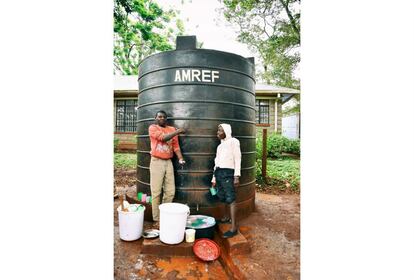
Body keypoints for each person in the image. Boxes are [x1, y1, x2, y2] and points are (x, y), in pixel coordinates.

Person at [148, 110, 186, 226]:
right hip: (156, 161)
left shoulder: (171, 129)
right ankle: (156, 219)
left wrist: (180, 158)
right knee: (156, 192)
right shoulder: (153, 128)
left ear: (166, 119)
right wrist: (178, 131)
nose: (162, 118)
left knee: (170, 192)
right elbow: (163, 138)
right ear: (156, 118)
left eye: (164, 117)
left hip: (168, 162)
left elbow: (176, 147)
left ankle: (163, 215)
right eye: (159, 116)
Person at [211, 123, 241, 238]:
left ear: (226, 132)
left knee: (231, 198)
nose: (217, 133)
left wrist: (236, 176)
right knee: (222, 196)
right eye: (218, 131)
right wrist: (214, 178)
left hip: (228, 173)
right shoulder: (220, 146)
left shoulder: (234, 141)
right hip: (219, 172)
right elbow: (216, 162)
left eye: (220, 131)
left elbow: (238, 158)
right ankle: (225, 218)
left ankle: (233, 228)